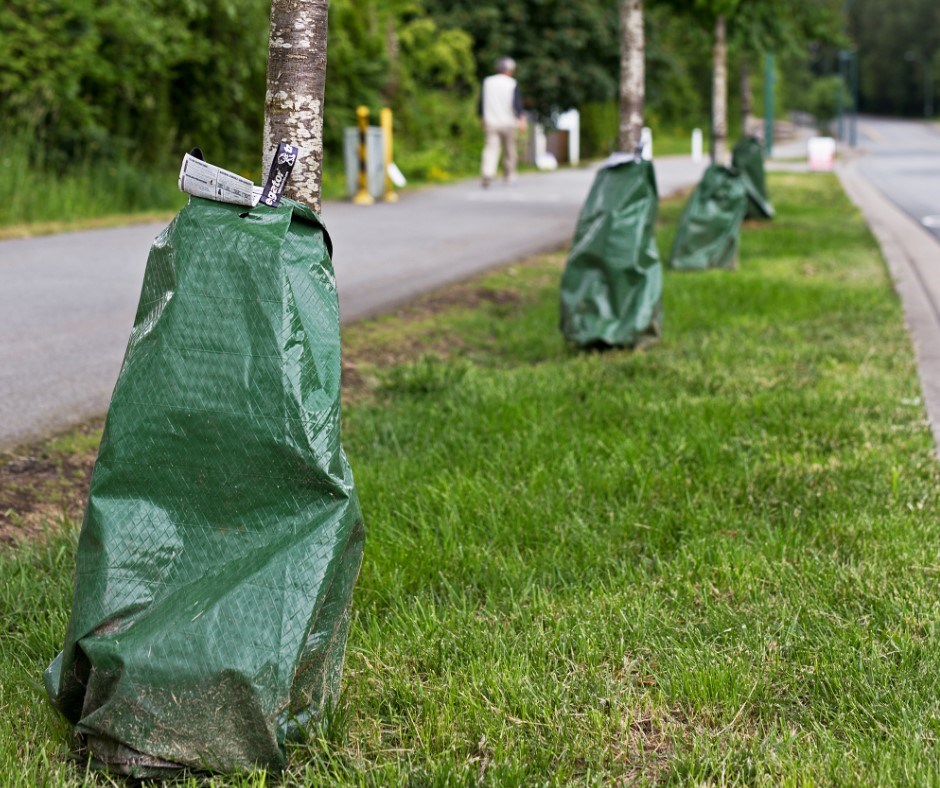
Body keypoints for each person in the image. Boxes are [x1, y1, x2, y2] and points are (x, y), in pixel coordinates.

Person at [479, 57, 525, 188]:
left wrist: (481, 117)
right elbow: (517, 104)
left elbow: (481, 102)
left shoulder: (488, 82)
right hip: (508, 122)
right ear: (510, 70)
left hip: (491, 121)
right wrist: (521, 120)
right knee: (510, 150)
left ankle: (487, 173)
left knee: (491, 148)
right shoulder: (512, 83)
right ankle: (509, 175)